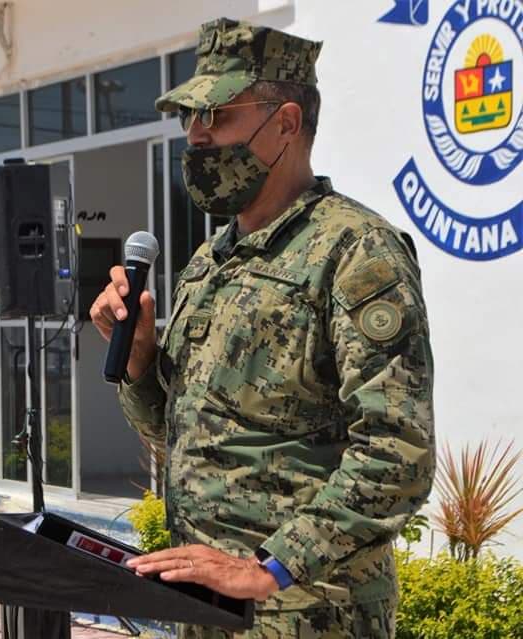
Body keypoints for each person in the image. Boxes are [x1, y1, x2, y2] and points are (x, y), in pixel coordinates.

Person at [91, 18, 434, 639]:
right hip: (204, 605)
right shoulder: (209, 262)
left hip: (309, 612)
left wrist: (271, 567)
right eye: (189, 119)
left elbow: (397, 455)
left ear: (286, 122)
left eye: (217, 115)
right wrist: (139, 361)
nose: (196, 136)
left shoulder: (357, 251)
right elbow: (183, 435)